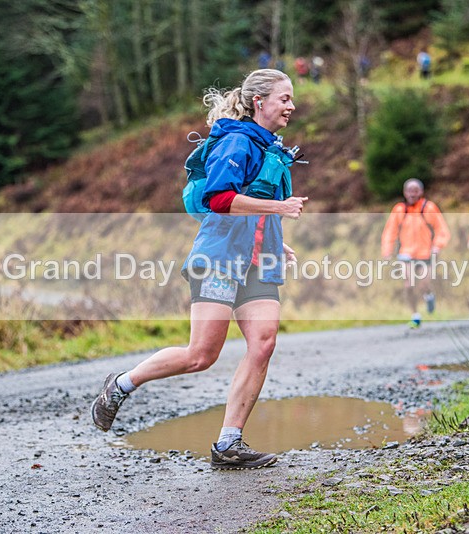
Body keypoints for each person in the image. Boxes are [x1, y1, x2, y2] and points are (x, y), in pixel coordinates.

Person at [91, 69, 308, 470]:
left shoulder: (269, 147)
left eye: (291, 99)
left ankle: (229, 443)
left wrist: (274, 240)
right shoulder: (236, 141)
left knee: (263, 343)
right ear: (259, 101)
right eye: (285, 98)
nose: (291, 106)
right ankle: (121, 384)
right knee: (201, 355)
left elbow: (252, 203)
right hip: (220, 259)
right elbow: (220, 199)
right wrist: (279, 207)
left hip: (257, 261)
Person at [381, 178, 450, 328]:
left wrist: (437, 246)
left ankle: (429, 296)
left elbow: (442, 229)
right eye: (409, 191)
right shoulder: (399, 210)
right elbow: (390, 231)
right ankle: (415, 315)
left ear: (421, 192)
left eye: (415, 191)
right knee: (408, 285)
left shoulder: (428, 208)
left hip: (426, 254)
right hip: (406, 253)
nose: (412, 194)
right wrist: (387, 251)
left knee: (424, 284)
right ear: (404, 193)